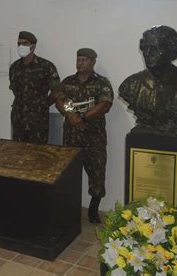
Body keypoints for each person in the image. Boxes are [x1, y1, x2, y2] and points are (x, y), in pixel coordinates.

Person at [118, 26, 177, 136]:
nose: (148, 53)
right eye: (145, 48)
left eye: (155, 48)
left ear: (172, 51)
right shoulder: (130, 85)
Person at [55, 48, 113, 223]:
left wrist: (83, 117)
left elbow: (105, 104)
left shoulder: (101, 82)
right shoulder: (68, 81)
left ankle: (93, 210)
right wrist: (71, 115)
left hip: (94, 137)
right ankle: (70, 208)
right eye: (78, 59)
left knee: (97, 173)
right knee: (69, 174)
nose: (80, 63)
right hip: (71, 137)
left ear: (93, 62)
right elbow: (60, 100)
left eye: (84, 60)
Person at [9, 31, 60, 144]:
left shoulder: (46, 66)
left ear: (33, 45)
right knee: (17, 154)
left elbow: (56, 92)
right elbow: (14, 90)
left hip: (38, 120)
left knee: (38, 155)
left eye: (25, 43)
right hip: (18, 118)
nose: (21, 46)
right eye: (19, 43)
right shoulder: (14, 67)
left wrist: (42, 105)